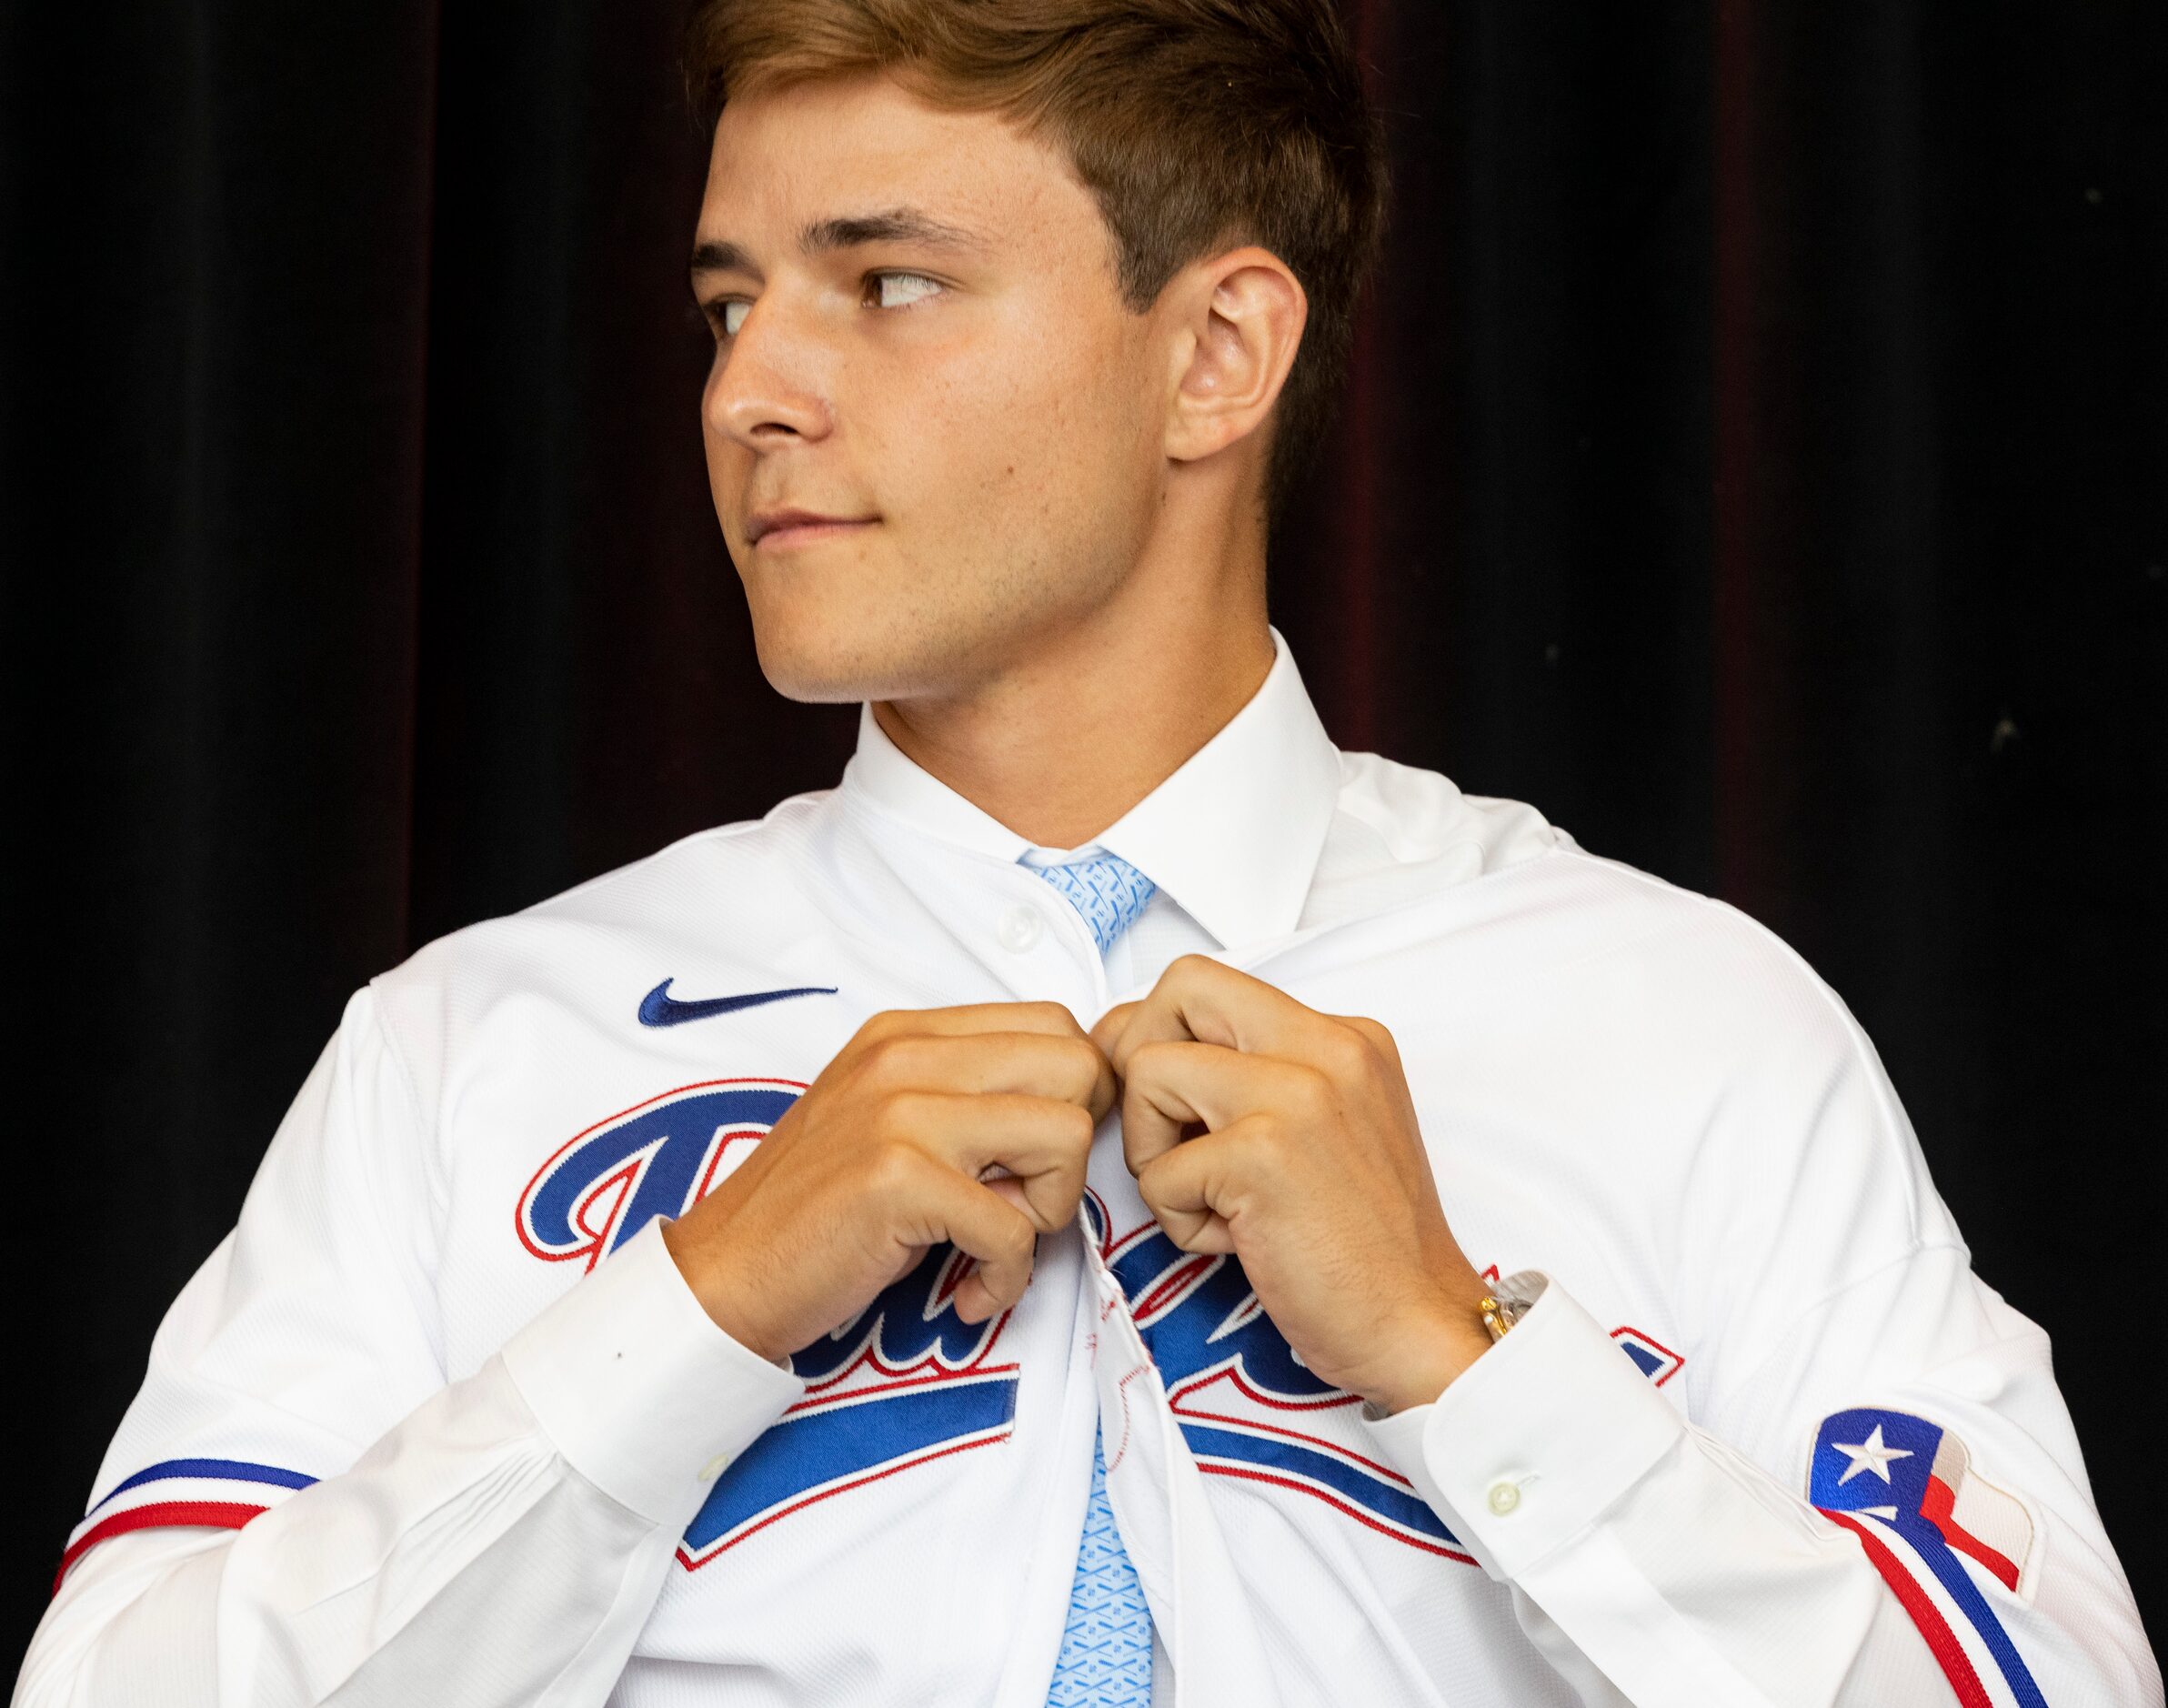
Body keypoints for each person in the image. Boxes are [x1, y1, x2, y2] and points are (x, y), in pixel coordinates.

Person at [15, 1, 2160, 1703]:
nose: (750, 387)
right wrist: (700, 1304)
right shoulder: (477, 1043)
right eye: (726, 302)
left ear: (1213, 352)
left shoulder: (1687, 1026)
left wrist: (1458, 1354)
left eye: (885, 284)